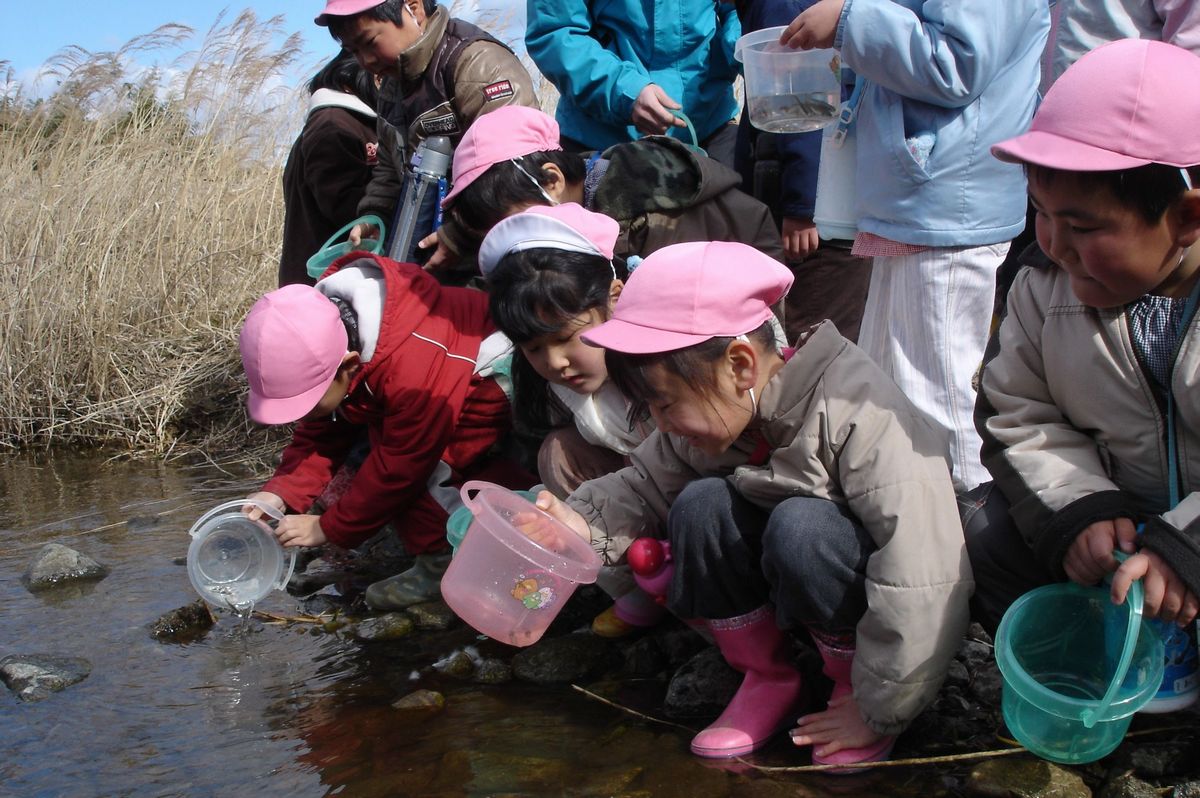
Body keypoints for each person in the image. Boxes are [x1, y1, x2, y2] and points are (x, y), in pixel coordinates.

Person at [534, 241, 970, 766]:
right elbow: (644, 483)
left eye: (665, 404)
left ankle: (846, 684)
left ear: (740, 365)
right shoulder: (723, 411)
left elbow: (923, 567)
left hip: (858, 609)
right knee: (699, 504)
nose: (661, 423)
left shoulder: (857, 412)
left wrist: (882, 707)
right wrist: (578, 521)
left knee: (802, 525)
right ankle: (768, 675)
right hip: (791, 595)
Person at [964, 39, 1200, 639]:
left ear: (1188, 218)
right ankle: (1084, 659)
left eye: (1084, 226)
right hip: (1122, 526)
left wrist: (1185, 548)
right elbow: (1020, 411)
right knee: (988, 527)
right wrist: (1081, 509)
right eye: (1041, 212)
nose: (1054, 244)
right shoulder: (1043, 288)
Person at [780, 0, 1049, 492]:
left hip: (946, 203)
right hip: (917, 198)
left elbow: (956, 64)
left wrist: (848, 21)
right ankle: (905, 512)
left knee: (936, 394)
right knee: (889, 383)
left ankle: (971, 524)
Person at [239, 252, 532, 610]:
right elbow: (321, 431)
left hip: (488, 373)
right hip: (435, 375)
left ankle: (446, 559)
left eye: (309, 403)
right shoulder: (330, 337)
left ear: (348, 366)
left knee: (431, 471)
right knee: (383, 454)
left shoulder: (410, 364)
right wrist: (279, 494)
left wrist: (329, 528)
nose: (305, 416)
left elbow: (403, 465)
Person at [478, 202, 661, 637]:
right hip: (634, 495)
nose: (555, 362)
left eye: (565, 338)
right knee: (557, 454)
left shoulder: (662, 358)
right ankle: (633, 588)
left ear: (613, 299)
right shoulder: (553, 388)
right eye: (533, 349)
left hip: (693, 489)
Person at [313, 0, 538, 267]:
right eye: (354, 51)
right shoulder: (391, 88)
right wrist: (375, 216)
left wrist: (458, 236)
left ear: (414, 8)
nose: (366, 61)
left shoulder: (477, 65)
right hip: (435, 259)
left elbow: (515, 170)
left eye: (370, 42)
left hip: (495, 255)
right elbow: (388, 169)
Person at [437, 105, 782, 269]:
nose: (512, 241)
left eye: (512, 227)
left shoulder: (649, 213)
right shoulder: (585, 182)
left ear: (552, 180)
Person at [733, 0, 872, 343]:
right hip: (832, 200)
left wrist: (802, 206)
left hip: (816, 216)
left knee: (810, 339)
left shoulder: (780, 4)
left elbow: (802, 101)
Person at [524, 0, 742, 168]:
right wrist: (626, 91)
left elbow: (740, 9)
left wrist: (749, 51)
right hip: (600, 141)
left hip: (710, 126)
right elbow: (556, 32)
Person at [279, 50, 379, 288]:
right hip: (327, 281)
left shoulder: (338, 120)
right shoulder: (334, 125)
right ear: (351, 79)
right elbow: (343, 206)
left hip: (330, 277)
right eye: (378, 78)